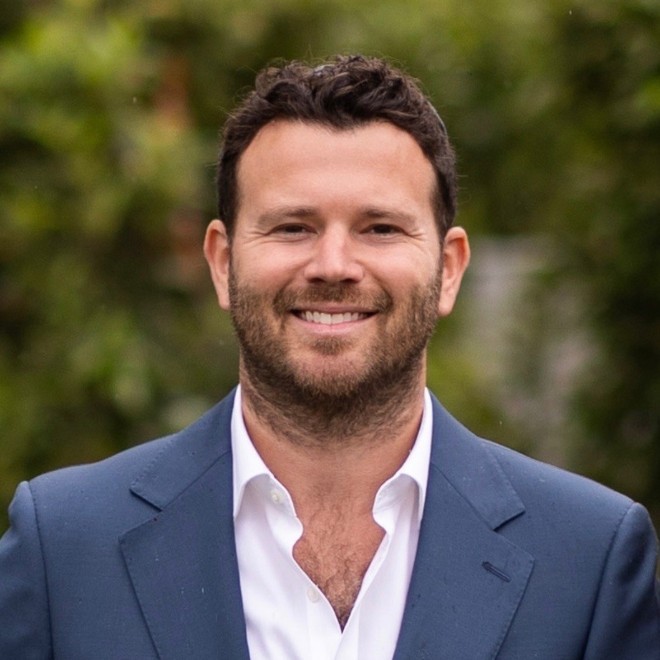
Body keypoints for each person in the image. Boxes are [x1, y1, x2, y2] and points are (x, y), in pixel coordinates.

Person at [0, 54, 658, 660]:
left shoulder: (590, 559)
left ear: (450, 269)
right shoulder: (64, 548)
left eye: (380, 228)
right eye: (293, 227)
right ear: (223, 264)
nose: (334, 265)